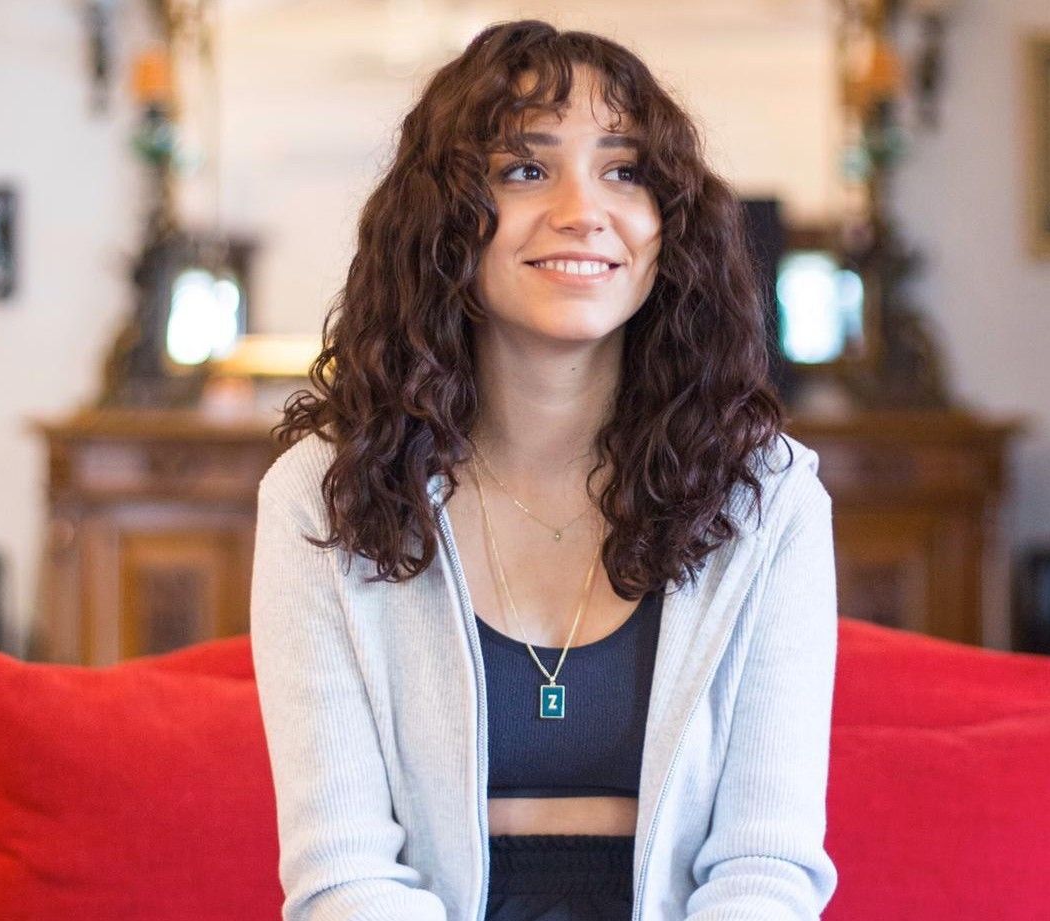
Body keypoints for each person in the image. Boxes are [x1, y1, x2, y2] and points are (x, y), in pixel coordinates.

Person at [250, 18, 838, 921]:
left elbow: (764, 867)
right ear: (442, 220)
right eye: (524, 170)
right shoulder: (321, 492)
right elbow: (343, 873)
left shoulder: (767, 494)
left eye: (625, 170)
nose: (582, 210)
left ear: (668, 222)